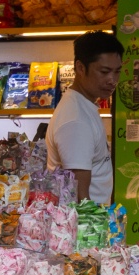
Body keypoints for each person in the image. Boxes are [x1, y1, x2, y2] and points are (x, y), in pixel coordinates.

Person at [46, 30, 123, 204]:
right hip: (83, 227)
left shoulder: (84, 107)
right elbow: (80, 197)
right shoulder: (76, 120)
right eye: (104, 72)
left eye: (117, 72)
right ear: (80, 68)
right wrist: (92, 229)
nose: (112, 80)